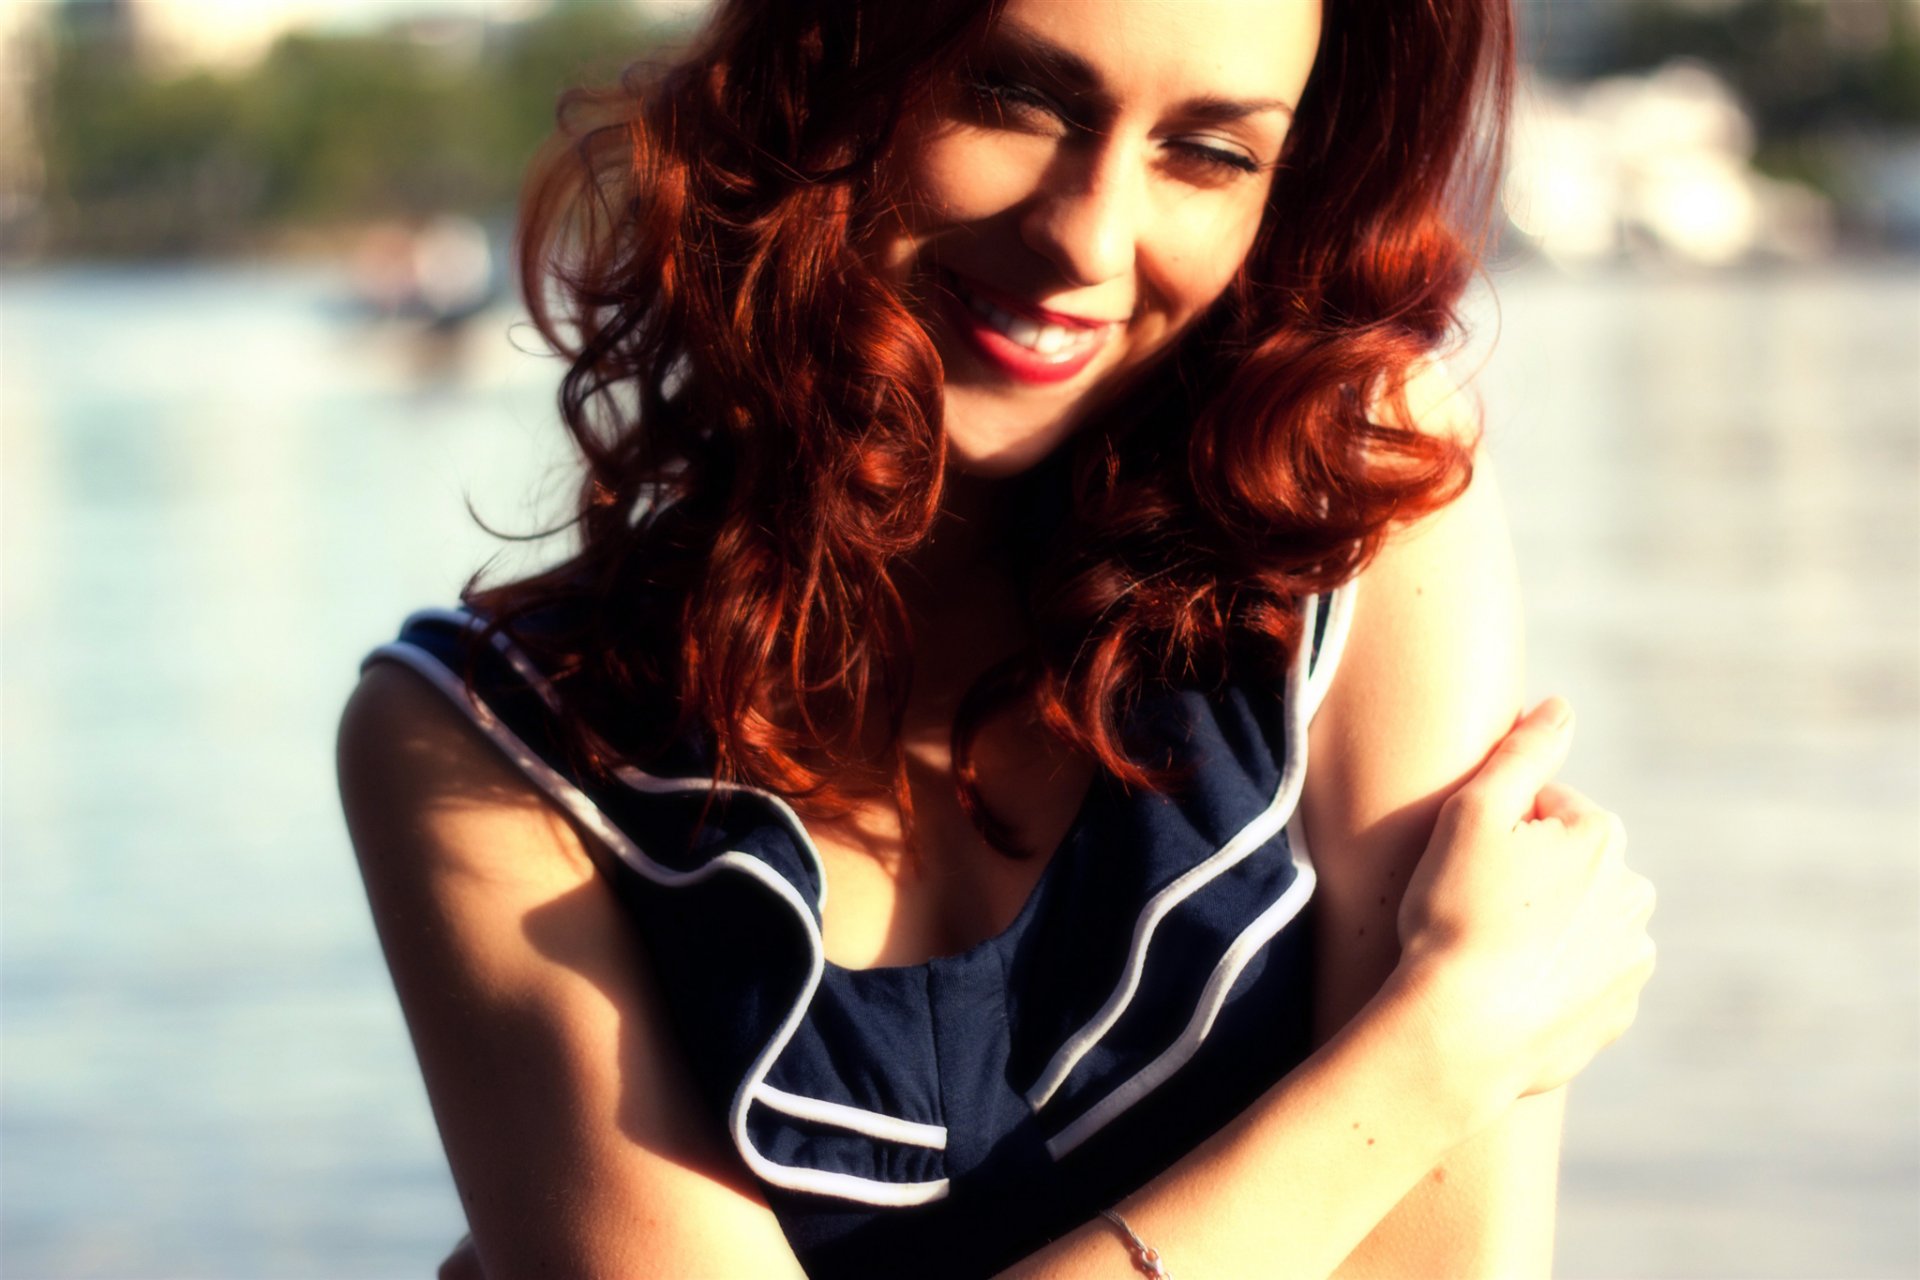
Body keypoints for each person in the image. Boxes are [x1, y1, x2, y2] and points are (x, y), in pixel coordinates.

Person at [338, 0, 1656, 1275]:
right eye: (1014, 96)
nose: (1089, 236)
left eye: (1209, 152)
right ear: (826, 65)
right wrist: (1433, 1056)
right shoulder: (475, 742)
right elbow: (1442, 1088)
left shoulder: (1357, 501)